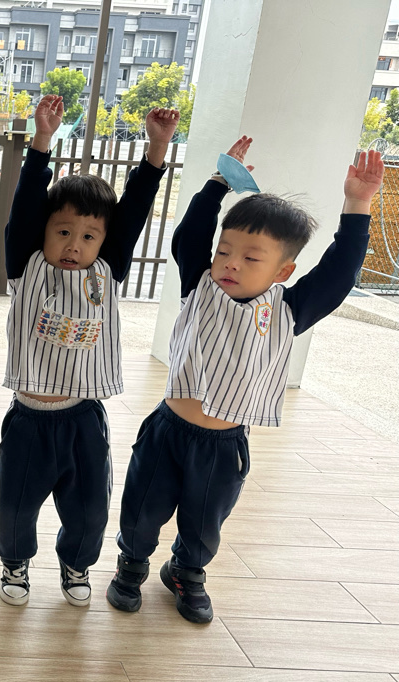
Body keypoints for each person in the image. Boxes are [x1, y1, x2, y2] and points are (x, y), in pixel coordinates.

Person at [106, 139, 383, 623]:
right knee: (142, 508)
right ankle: (132, 563)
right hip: (168, 431)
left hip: (224, 445)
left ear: (283, 271)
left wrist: (357, 204)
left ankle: (186, 571)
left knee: (205, 521)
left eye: (251, 258)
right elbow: (190, 235)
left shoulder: (287, 310)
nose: (231, 262)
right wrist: (218, 183)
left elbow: (338, 274)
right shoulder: (200, 284)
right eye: (225, 251)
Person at [0, 94, 180, 607]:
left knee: (90, 509)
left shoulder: (106, 271)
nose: (74, 245)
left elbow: (133, 214)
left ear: (103, 242)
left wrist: (156, 151)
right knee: (15, 507)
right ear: (44, 232)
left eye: (88, 236)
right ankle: (15, 562)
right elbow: (24, 207)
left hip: (83, 418)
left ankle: (76, 564)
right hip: (29, 419)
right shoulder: (27, 266)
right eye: (63, 232)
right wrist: (42, 141)